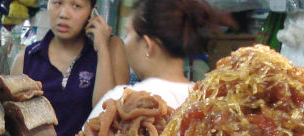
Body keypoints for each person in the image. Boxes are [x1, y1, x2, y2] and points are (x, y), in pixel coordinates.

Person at [88, 0, 235, 120]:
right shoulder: (208, 103)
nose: (125, 42)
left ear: (147, 45)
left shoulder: (121, 101)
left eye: (128, 33)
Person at [12, 0, 129, 136]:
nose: (63, 14)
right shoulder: (27, 58)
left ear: (93, 11)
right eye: (57, 3)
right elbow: (12, 126)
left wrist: (102, 50)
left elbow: (108, 115)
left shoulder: (112, 49)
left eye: (76, 6)